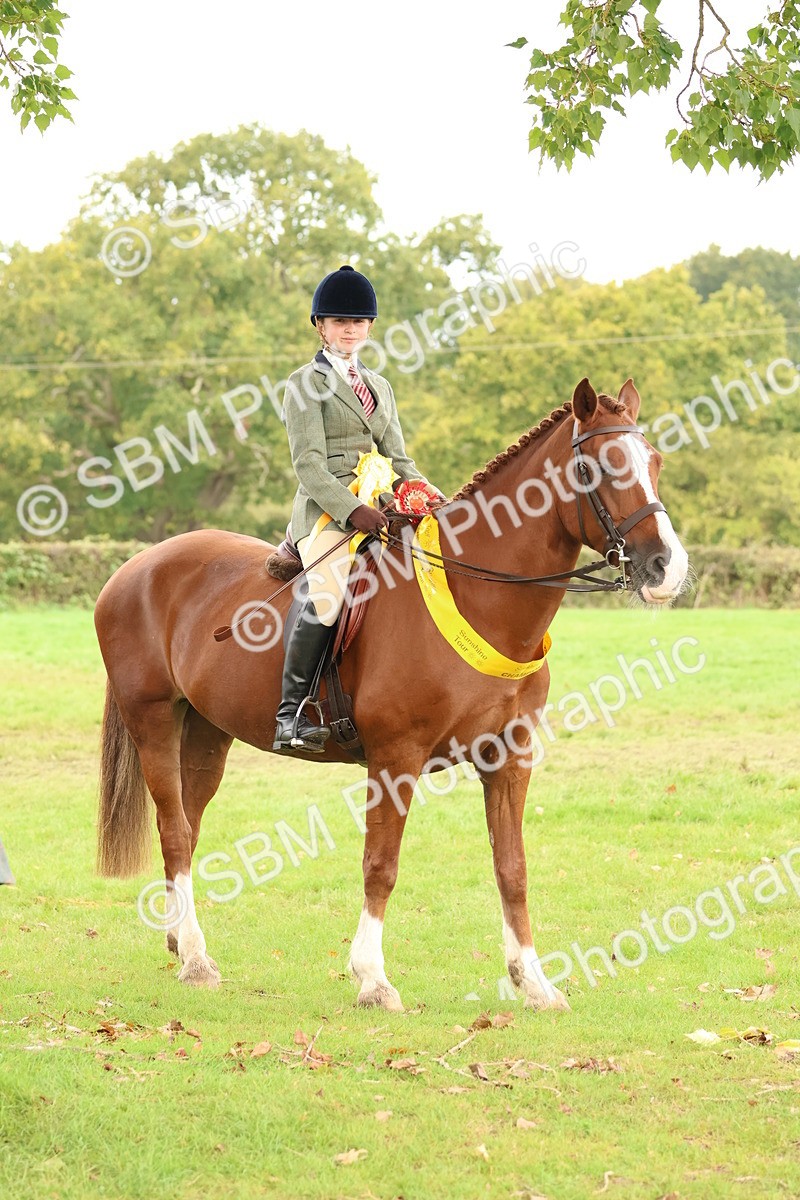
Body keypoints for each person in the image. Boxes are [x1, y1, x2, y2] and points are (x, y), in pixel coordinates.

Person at [274, 264, 439, 753]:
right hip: (326, 515)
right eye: (338, 320)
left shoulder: (380, 386)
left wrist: (435, 499)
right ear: (320, 326)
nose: (349, 329)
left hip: (383, 507)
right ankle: (290, 715)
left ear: (369, 327)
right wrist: (352, 511)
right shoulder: (304, 384)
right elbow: (309, 466)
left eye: (358, 321)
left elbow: (400, 458)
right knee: (327, 594)